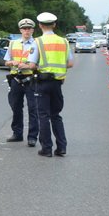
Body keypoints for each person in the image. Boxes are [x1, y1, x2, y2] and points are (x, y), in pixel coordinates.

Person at [28, 11, 74, 158]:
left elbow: (32, 64)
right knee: (56, 115)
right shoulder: (64, 41)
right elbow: (70, 63)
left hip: (42, 82)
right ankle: (61, 147)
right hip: (57, 83)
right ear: (54, 25)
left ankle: (46, 148)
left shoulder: (38, 42)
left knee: (43, 115)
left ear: (40, 25)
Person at [5, 18, 39, 146]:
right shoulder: (13, 43)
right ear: (20, 30)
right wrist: (11, 63)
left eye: (29, 28)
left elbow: (40, 64)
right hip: (15, 79)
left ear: (32, 30)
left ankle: (32, 137)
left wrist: (29, 66)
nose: (27, 31)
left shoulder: (36, 44)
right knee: (15, 107)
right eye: (24, 29)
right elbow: (6, 61)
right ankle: (17, 133)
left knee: (33, 109)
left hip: (31, 80)